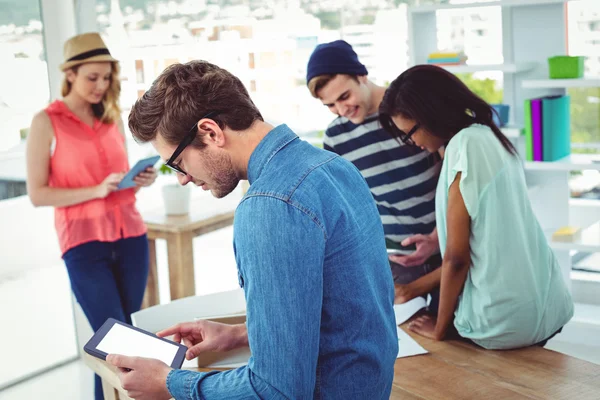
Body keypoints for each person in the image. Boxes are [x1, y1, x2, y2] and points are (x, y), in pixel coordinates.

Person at [105, 60, 398, 399]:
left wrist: (168, 383)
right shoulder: (332, 166)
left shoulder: (270, 205)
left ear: (211, 132)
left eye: (178, 163)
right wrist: (247, 333)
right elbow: (352, 312)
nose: (183, 178)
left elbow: (276, 390)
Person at [378, 64, 574, 350]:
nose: (412, 143)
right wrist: (419, 279)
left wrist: (440, 329)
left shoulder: (463, 148)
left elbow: (457, 259)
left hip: (503, 320)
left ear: (429, 115)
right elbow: (484, 243)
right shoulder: (488, 135)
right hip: (546, 302)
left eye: (410, 134)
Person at [26, 32, 157, 399]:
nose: (101, 86)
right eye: (92, 77)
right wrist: (95, 190)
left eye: (106, 77)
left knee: (133, 336)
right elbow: (38, 193)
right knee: (113, 342)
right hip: (83, 245)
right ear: (70, 74)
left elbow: (116, 184)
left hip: (130, 235)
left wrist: (137, 180)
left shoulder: (112, 118)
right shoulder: (46, 122)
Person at [306, 40, 443, 308]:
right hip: (396, 261)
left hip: (449, 244)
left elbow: (456, 178)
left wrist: (438, 238)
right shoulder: (336, 137)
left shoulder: (409, 108)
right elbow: (351, 206)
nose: (341, 110)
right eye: (330, 105)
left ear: (361, 76)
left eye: (344, 96)